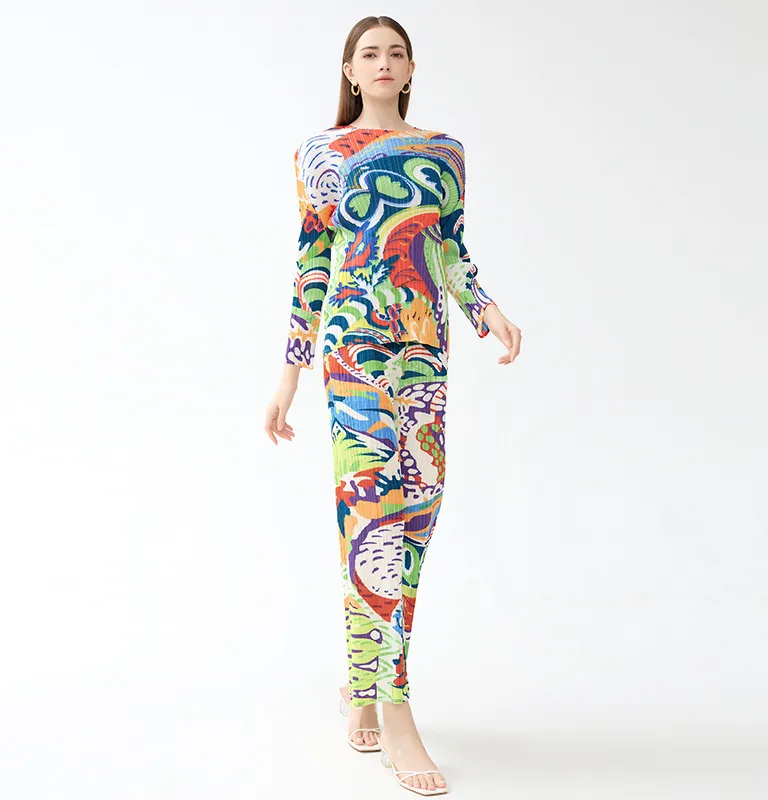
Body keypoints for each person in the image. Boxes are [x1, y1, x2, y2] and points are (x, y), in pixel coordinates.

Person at [264, 15, 522, 796]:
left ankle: (362, 682)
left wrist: (486, 311)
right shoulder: (321, 154)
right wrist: (289, 374)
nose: (383, 62)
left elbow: (449, 247)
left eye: (395, 53)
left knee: (416, 521)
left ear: (411, 70)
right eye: (368, 53)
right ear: (349, 70)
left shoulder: (445, 152)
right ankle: (395, 707)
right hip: (353, 354)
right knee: (370, 520)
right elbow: (313, 262)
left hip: (424, 355)